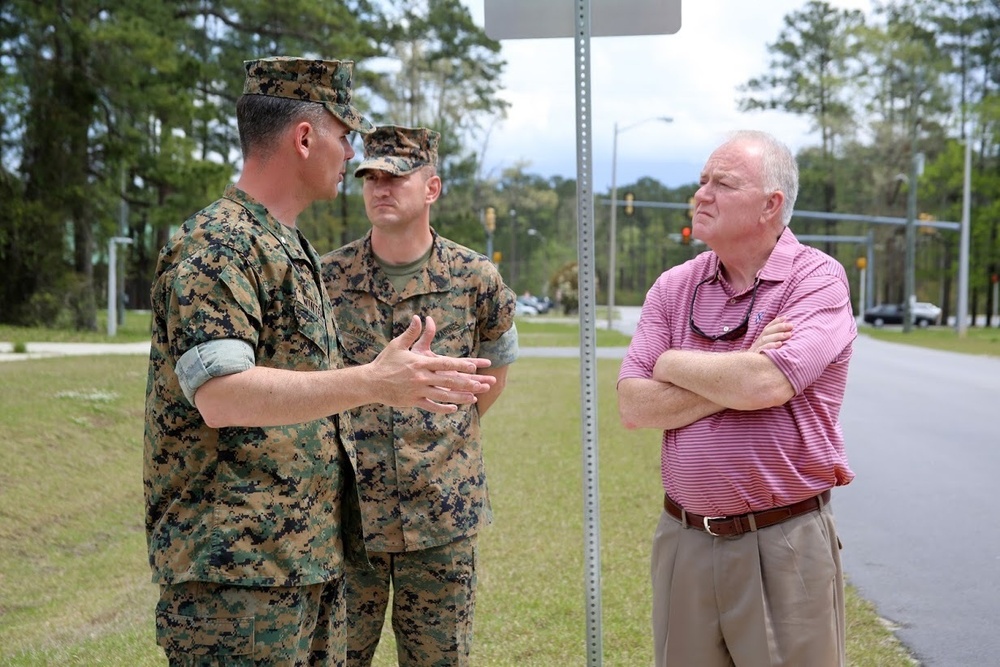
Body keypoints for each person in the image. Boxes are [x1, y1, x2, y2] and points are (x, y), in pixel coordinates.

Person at [144, 59, 498, 666]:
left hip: (300, 564)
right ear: (304, 137)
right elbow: (221, 394)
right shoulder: (218, 244)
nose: (352, 152)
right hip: (237, 578)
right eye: (345, 134)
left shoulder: (286, 245)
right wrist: (373, 383)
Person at [617, 130, 856, 667]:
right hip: (684, 539)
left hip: (784, 541)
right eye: (701, 181)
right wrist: (744, 365)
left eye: (722, 183)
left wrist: (673, 363)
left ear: (772, 204)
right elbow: (635, 405)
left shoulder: (817, 280)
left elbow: (767, 385)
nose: (701, 194)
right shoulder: (673, 287)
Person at [321, 125, 518, 666]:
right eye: (370, 178)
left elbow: (493, 371)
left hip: (440, 515)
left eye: (396, 177)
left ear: (431, 188)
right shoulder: (327, 278)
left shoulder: (475, 277)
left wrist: (443, 431)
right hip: (346, 515)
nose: (380, 188)